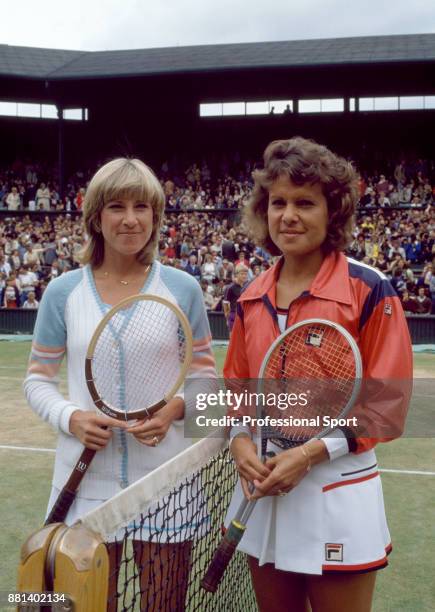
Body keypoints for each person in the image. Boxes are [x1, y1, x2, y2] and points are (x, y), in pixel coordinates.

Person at [224, 138, 412, 612]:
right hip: (262, 494)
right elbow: (235, 391)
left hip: (338, 493)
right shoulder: (250, 296)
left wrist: (309, 454)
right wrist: (239, 441)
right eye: (278, 203)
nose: (288, 215)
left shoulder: (369, 288)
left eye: (305, 203)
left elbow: (389, 403)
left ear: (334, 212)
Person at [23, 158, 216, 611]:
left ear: (155, 216)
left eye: (141, 207)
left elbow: (207, 378)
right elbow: (37, 380)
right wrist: (71, 418)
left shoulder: (183, 288)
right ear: (96, 217)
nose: (130, 219)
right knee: (88, 607)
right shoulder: (63, 292)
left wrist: (177, 410)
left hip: (167, 484)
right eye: (116, 207)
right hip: (84, 485)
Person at [222, 264, 249, 332]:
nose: (244, 276)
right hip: (234, 315)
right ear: (236, 274)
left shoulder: (248, 286)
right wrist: (227, 318)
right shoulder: (230, 288)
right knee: (233, 340)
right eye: (242, 274)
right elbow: (225, 303)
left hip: (245, 315)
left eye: (246, 274)